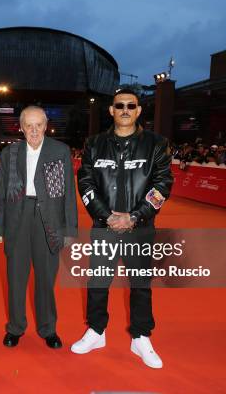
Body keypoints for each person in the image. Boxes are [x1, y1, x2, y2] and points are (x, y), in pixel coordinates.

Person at [73, 88, 173, 369]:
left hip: (140, 228)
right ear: (112, 111)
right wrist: (106, 217)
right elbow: (86, 183)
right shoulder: (93, 144)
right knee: (98, 282)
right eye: (120, 105)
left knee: (140, 284)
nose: (125, 109)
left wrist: (135, 216)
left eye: (131, 105)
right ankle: (96, 331)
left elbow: (163, 185)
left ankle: (140, 337)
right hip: (103, 227)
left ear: (139, 110)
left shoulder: (156, 144)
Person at [0, 105, 78, 349]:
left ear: (45, 125)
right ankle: (16, 327)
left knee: (45, 279)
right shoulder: (10, 153)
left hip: (48, 219)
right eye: (28, 125)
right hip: (17, 218)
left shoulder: (59, 151)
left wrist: (69, 229)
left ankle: (48, 328)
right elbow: (0, 193)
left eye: (38, 124)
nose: (33, 130)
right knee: (16, 278)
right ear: (21, 127)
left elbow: (68, 194)